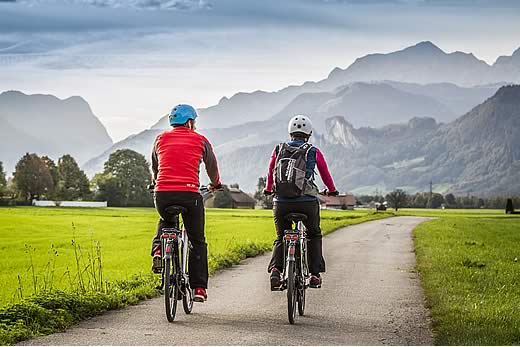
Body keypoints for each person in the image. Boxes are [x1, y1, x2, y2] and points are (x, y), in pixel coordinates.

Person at [150, 104, 221, 303]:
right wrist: (216, 184)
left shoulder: (159, 139)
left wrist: (155, 182)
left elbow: (155, 168)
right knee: (197, 241)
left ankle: (157, 249)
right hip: (190, 194)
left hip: (162, 194)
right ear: (190, 122)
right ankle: (199, 288)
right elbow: (212, 166)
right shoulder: (200, 140)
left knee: (166, 220)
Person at [263, 115, 338, 290]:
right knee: (313, 234)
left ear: (290, 133)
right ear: (309, 134)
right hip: (307, 202)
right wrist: (332, 190)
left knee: (281, 236)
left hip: (281, 202)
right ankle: (314, 275)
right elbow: (325, 175)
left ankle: (275, 270)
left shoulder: (278, 149)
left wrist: (268, 189)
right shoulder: (313, 151)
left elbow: (270, 171)